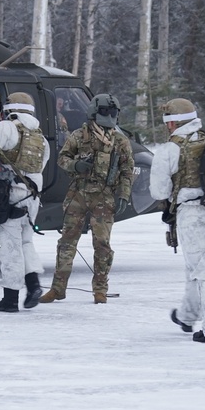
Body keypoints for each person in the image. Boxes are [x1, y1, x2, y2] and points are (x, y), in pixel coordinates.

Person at [39, 93, 133, 304]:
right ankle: (58, 288)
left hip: (105, 195)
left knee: (102, 244)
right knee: (67, 242)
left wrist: (124, 195)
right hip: (79, 193)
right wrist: (76, 165)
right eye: (105, 112)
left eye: (112, 112)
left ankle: (100, 289)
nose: (109, 116)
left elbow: (127, 170)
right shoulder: (79, 136)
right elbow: (63, 157)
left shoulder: (119, 140)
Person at [149, 98, 205, 343]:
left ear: (172, 124)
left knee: (202, 268)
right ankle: (188, 314)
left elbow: (159, 191)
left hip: (191, 214)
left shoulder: (170, 149)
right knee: (196, 264)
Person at [0, 92, 50, 312]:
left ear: (10, 109)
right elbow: (41, 166)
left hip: (11, 196)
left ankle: (10, 299)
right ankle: (33, 285)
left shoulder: (6, 127)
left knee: (10, 246)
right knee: (25, 242)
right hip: (32, 198)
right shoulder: (39, 137)